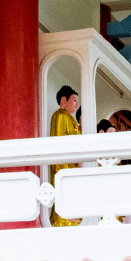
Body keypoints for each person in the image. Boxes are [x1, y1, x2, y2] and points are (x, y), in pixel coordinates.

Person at [49, 85, 81, 228]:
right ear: (64, 100)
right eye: (74, 100)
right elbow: (60, 143)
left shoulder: (71, 119)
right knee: (64, 198)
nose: (76, 104)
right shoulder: (60, 116)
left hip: (73, 166)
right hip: (64, 166)